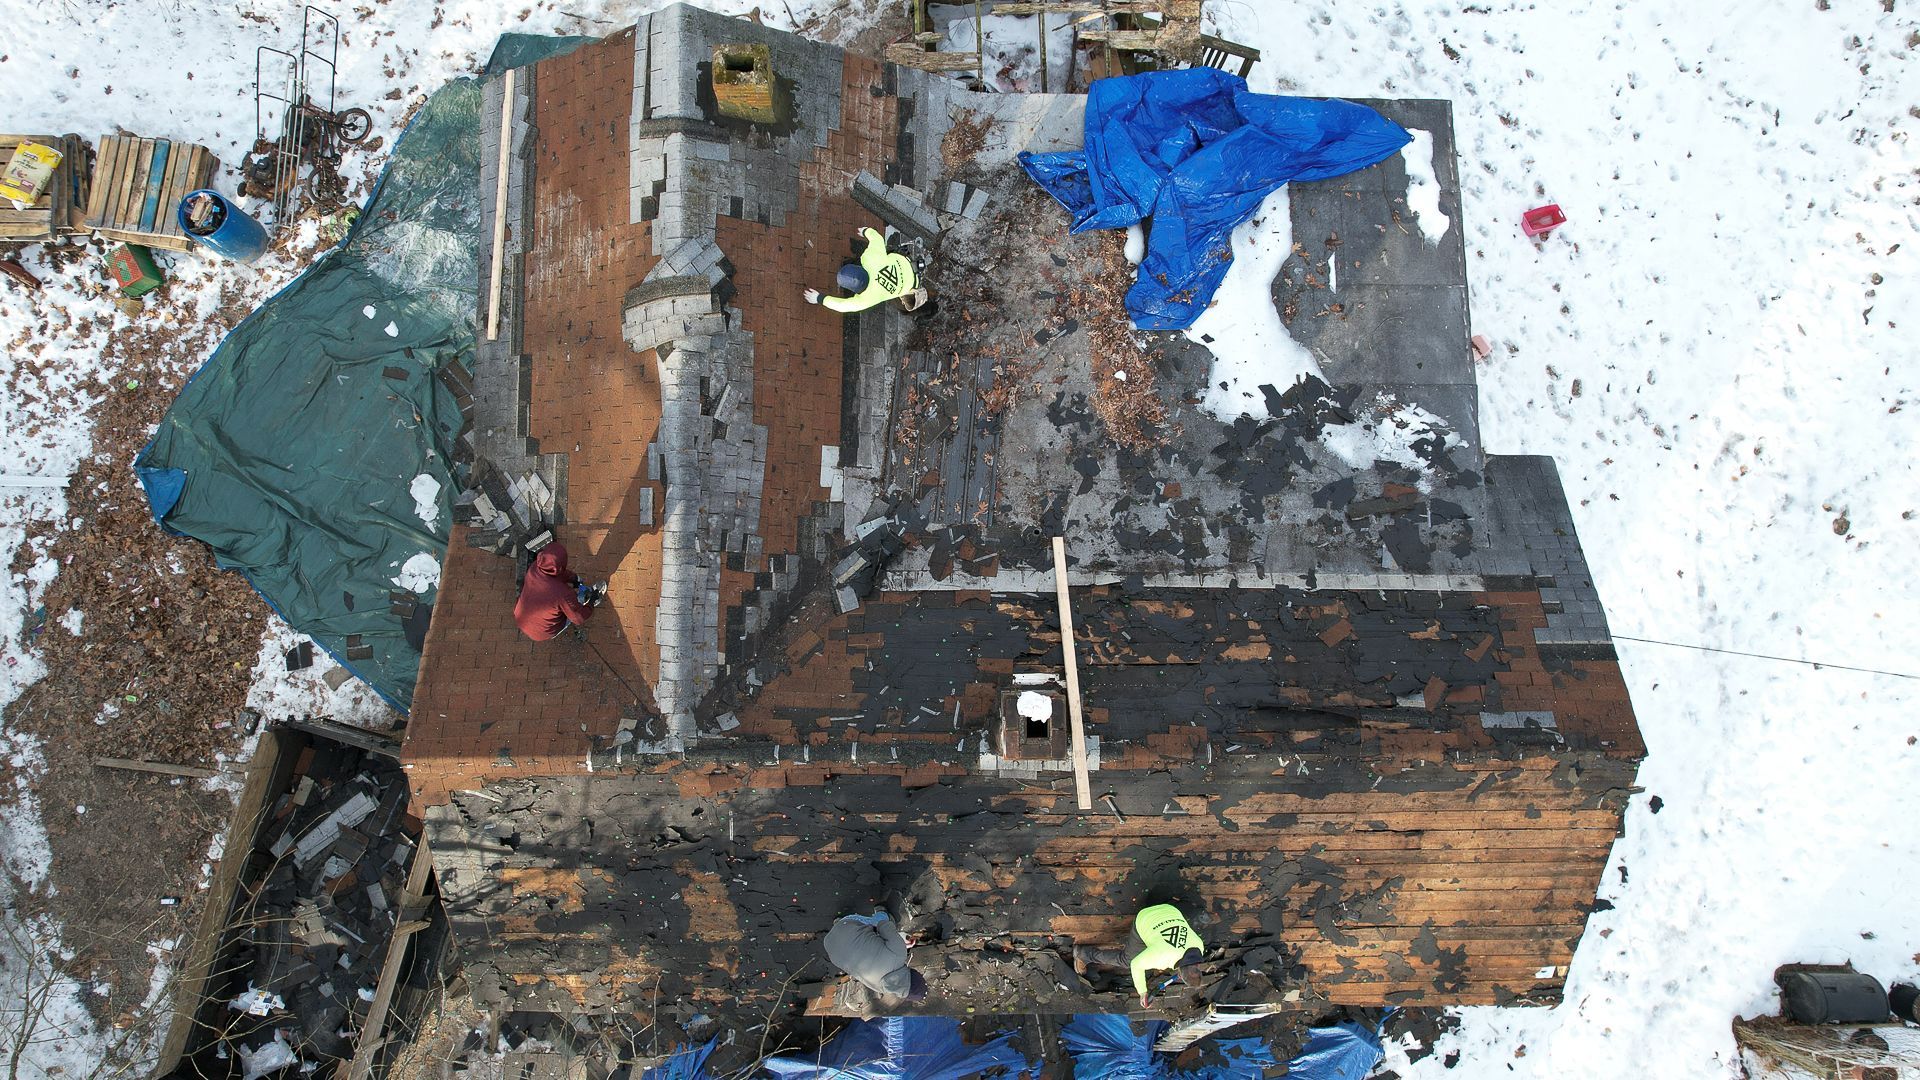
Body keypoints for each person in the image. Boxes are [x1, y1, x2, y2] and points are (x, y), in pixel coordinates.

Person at [804, 227, 923, 313]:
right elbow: (877, 238)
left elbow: (844, 306)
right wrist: (866, 231)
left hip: (911, 272)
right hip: (905, 266)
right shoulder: (872, 260)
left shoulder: (869, 296)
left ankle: (918, 292)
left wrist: (867, 232)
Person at [824, 911, 928, 1008]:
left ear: (915, 975)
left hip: (846, 925)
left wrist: (898, 942)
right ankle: (837, 927)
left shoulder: (899, 955)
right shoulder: (881, 988)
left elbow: (884, 925)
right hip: (830, 948)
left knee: (884, 917)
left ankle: (841, 922)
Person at [513, 542, 596, 641]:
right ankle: (585, 600)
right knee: (573, 606)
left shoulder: (535, 568)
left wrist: (574, 578)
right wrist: (591, 603)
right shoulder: (564, 593)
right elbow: (578, 618)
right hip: (543, 633)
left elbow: (556, 572)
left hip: (521, 619)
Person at [1130, 903, 1202, 1008]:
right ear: (1180, 976)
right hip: (1145, 917)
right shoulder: (1162, 959)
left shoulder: (1199, 946)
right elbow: (1135, 964)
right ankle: (1096, 955)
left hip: (1170, 909)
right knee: (1126, 960)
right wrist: (1142, 992)